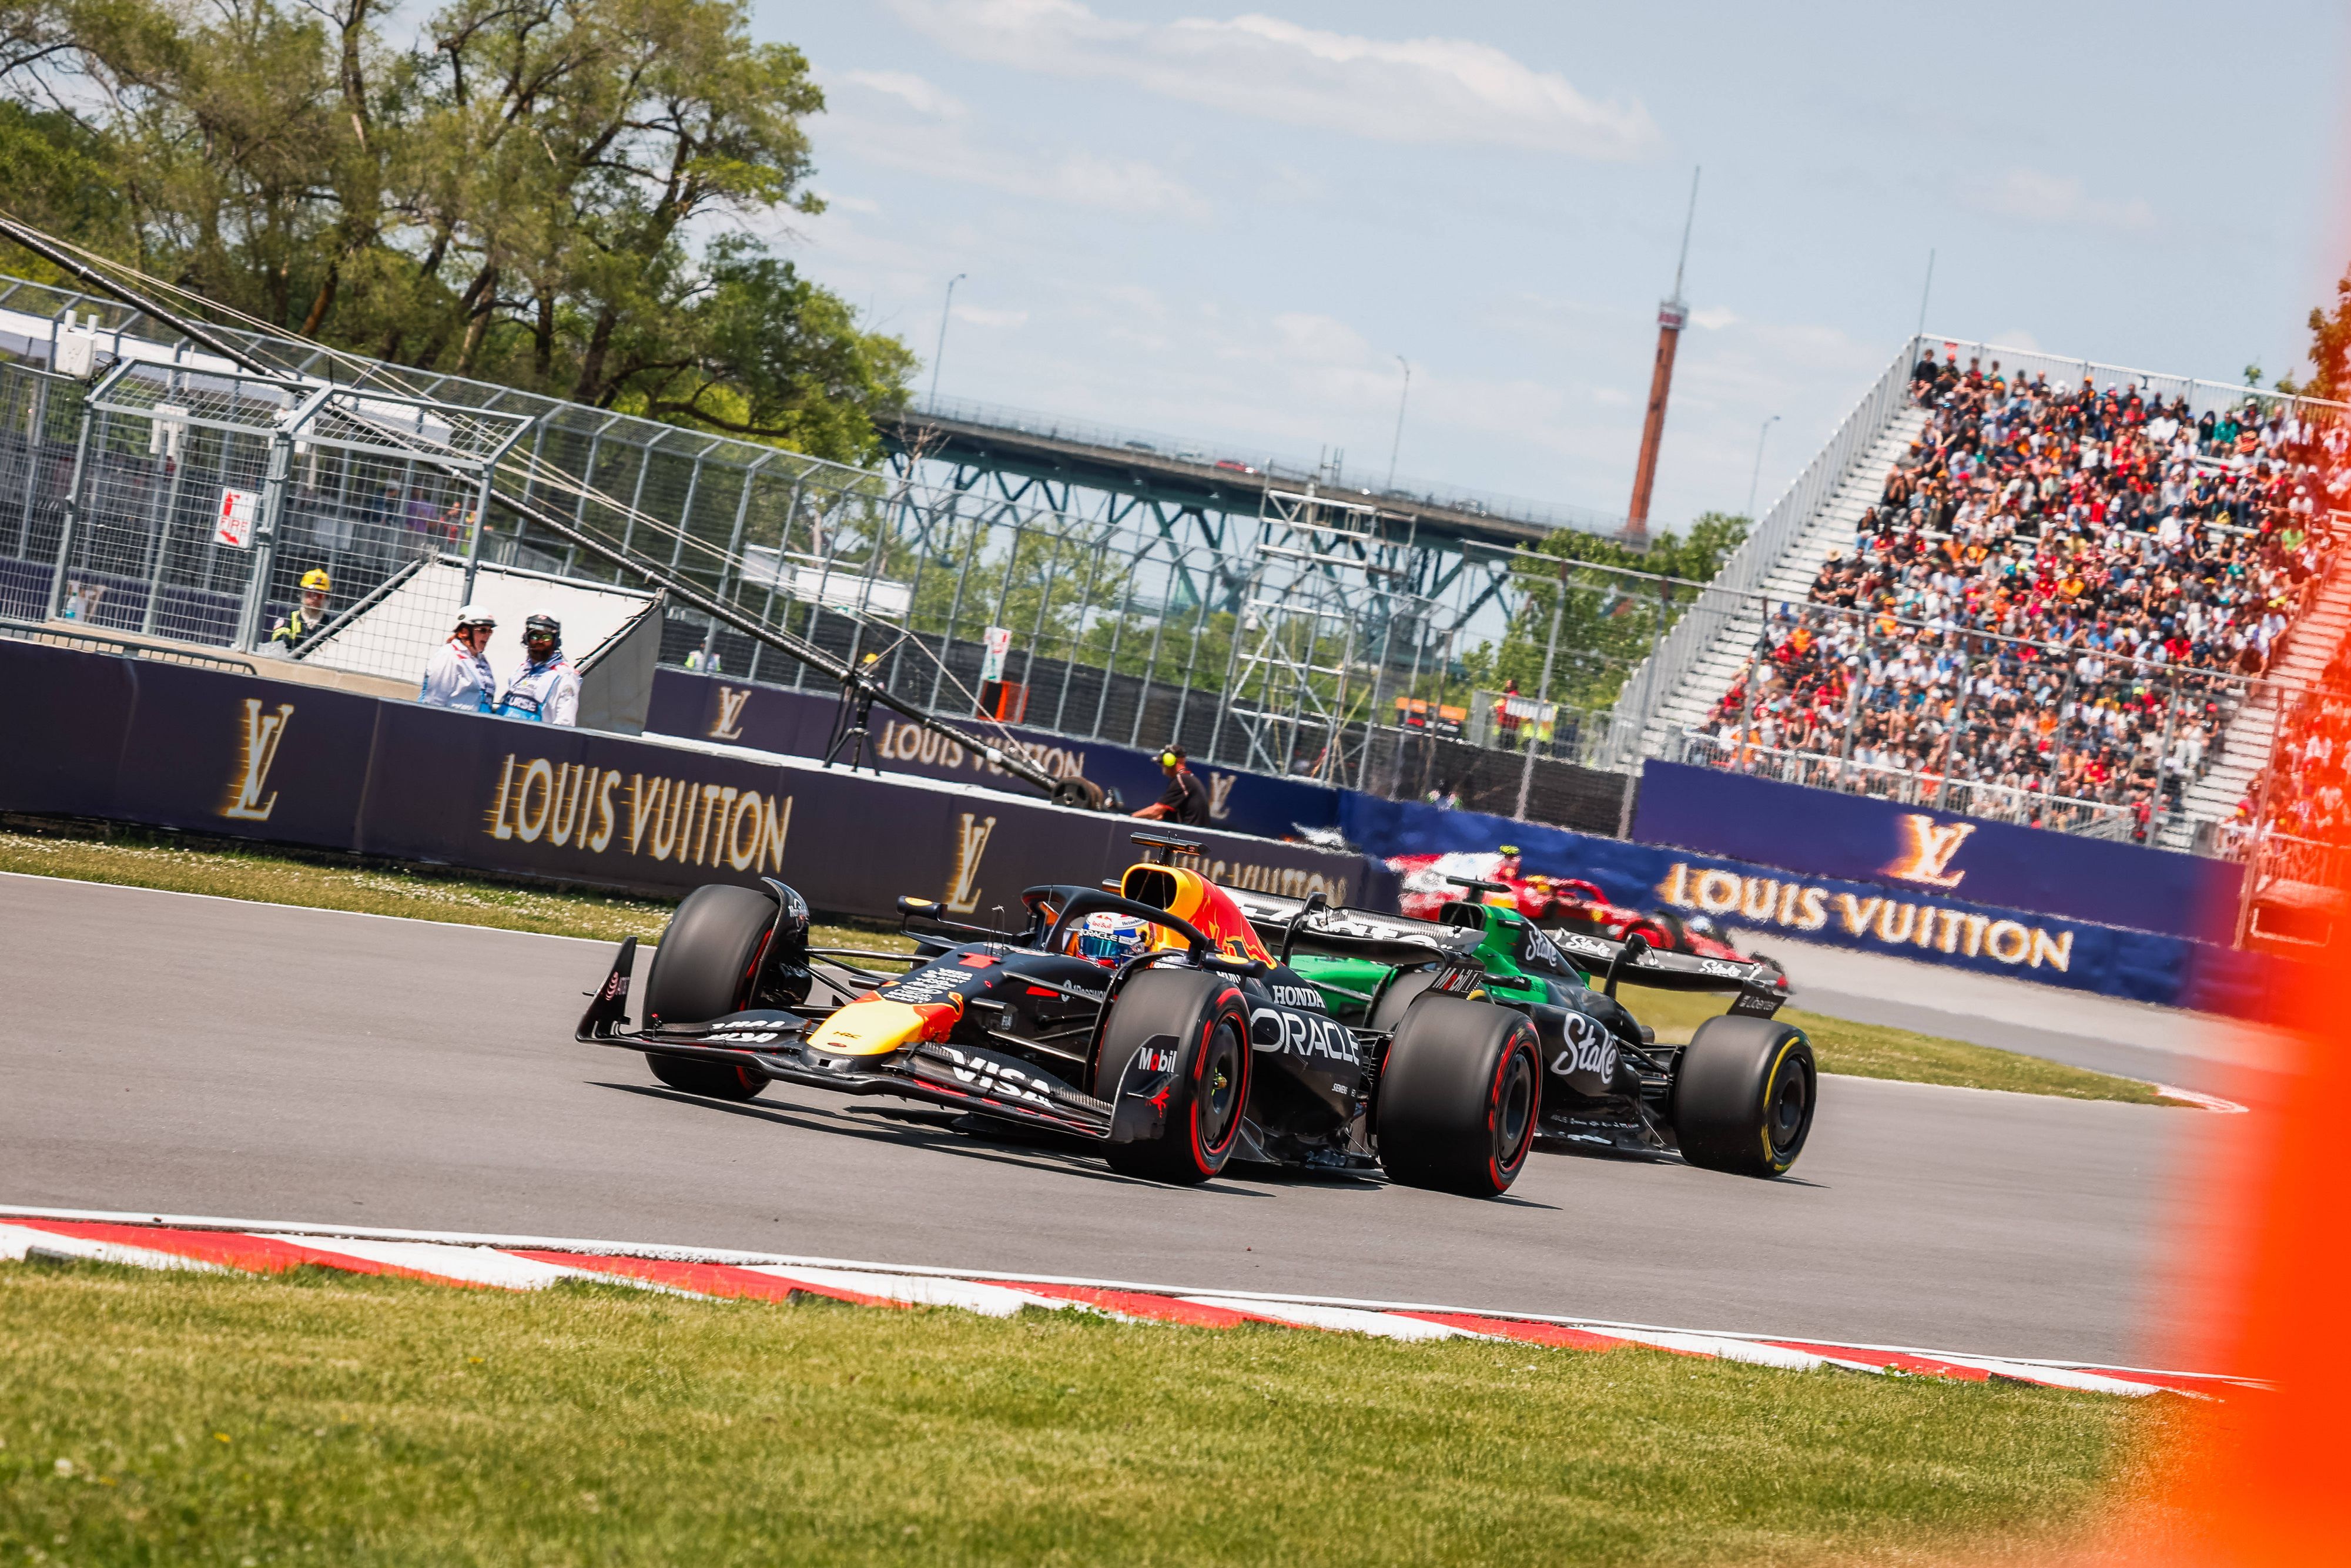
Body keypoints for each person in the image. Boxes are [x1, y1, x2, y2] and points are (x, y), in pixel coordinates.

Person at [494, 611, 581, 726]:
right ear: (527, 639)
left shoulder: (565, 674)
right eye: (535, 637)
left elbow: (565, 722)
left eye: (546, 638)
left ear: (555, 641)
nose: (540, 642)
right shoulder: (522, 668)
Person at [420, 604, 500, 712]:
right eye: (482, 630)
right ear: (464, 632)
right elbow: (433, 701)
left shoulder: (481, 659)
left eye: (490, 631)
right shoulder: (448, 655)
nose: (488, 635)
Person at [1131, 744, 1210, 825]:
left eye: (1162, 762)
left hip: (1190, 831)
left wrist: (1130, 818)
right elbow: (1160, 816)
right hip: (1195, 831)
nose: (1162, 766)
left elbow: (1157, 811)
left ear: (1170, 760)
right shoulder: (1188, 779)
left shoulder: (1181, 780)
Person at [266, 568, 332, 655]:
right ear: (302, 593)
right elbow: (278, 644)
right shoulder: (288, 618)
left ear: (326, 597)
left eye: (320, 595)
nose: (315, 598)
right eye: (310, 593)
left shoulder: (332, 624)